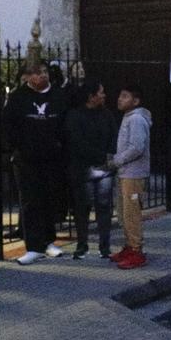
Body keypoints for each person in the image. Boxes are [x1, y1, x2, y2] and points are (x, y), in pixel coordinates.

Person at [3, 59, 67, 263]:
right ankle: (33, 245)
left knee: (50, 199)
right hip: (26, 158)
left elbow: (65, 124)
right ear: (28, 77)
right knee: (30, 202)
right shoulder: (18, 98)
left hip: (52, 156)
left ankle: (48, 241)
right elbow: (8, 125)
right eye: (37, 73)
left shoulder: (58, 95)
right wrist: (14, 149)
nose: (42, 75)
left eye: (44, 71)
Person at [62, 80, 118, 260]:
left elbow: (113, 137)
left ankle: (103, 245)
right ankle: (83, 243)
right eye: (100, 92)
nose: (104, 95)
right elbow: (76, 142)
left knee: (103, 207)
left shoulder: (106, 115)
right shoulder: (75, 116)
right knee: (83, 208)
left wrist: (107, 156)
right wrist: (103, 156)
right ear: (91, 96)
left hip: (97, 166)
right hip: (85, 167)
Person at [110, 85, 153, 268]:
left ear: (135, 101)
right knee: (125, 213)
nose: (120, 99)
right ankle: (129, 245)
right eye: (120, 95)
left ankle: (136, 250)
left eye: (125, 96)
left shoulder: (136, 119)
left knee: (132, 213)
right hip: (126, 173)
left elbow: (137, 147)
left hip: (134, 174)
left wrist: (117, 160)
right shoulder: (128, 118)